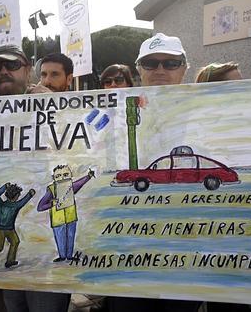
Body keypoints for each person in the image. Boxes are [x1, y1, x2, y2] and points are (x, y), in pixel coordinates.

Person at [106, 33, 201, 312]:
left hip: (186, 249)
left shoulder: (208, 108)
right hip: (127, 248)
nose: (160, 70)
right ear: (139, 70)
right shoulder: (114, 111)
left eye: (171, 63)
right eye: (151, 63)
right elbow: (76, 136)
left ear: (185, 68)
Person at [0, 44, 71, 312]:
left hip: (46, 245)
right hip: (14, 256)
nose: (3, 72)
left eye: (11, 65)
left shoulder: (55, 104)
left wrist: (55, 108)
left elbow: (80, 155)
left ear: (27, 70)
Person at [37, 165, 94, 262]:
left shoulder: (70, 186)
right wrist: (52, 203)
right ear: (53, 178)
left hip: (71, 217)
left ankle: (69, 255)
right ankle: (62, 256)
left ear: (71, 175)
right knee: (60, 238)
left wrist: (88, 176)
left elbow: (80, 183)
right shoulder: (51, 189)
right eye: (58, 176)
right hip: (58, 220)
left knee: (70, 236)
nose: (62, 178)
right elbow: (40, 207)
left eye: (66, 174)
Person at [0, 183, 35, 269]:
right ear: (15, 196)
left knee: (15, 241)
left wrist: (4, 187)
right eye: (18, 195)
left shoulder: (0, 204)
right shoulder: (14, 205)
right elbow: (23, 201)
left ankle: (10, 261)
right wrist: (30, 194)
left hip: (9, 229)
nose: (18, 197)